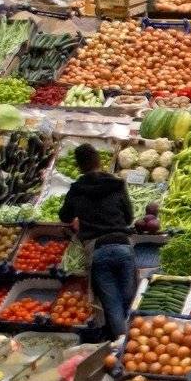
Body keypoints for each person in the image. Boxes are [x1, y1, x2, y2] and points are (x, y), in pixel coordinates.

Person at [59, 145, 134, 341]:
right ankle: (134, 342)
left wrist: (80, 218)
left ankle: (120, 345)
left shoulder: (76, 189)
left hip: (97, 250)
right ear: (99, 161)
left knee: (112, 304)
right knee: (130, 300)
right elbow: (128, 218)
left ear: (79, 166)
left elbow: (65, 216)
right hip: (122, 245)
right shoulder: (117, 185)